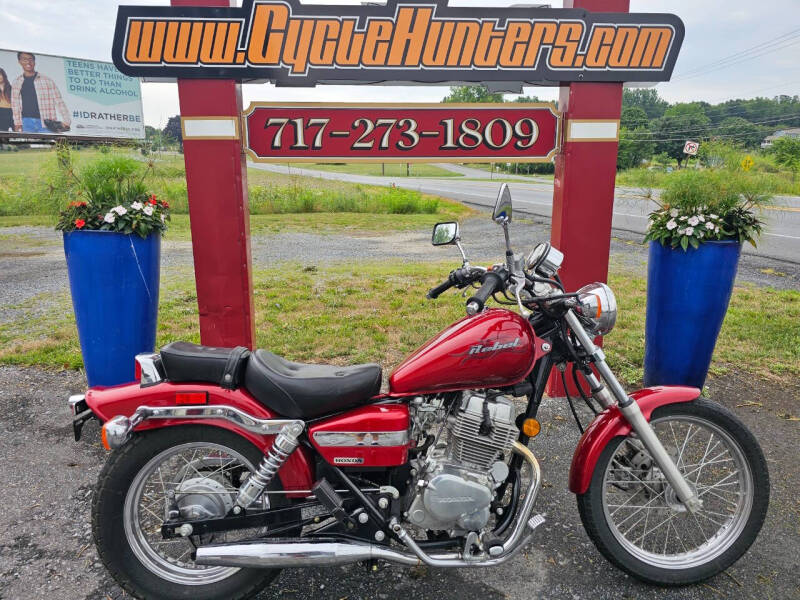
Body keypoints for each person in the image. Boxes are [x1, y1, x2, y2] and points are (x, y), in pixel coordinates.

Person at [11, 52, 71, 134]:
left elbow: (59, 101)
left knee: (52, 145)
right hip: (26, 122)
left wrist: (67, 121)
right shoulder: (17, 82)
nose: (28, 62)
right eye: (24, 59)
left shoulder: (47, 80)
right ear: (19, 62)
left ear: (34, 61)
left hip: (47, 122)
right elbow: (15, 104)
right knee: (29, 146)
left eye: (30, 59)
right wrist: (17, 123)